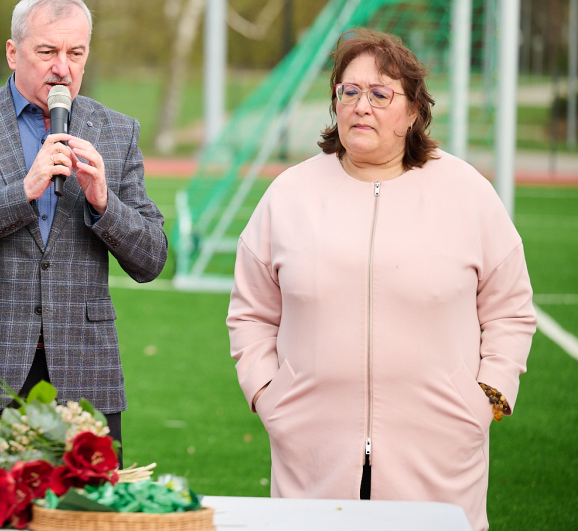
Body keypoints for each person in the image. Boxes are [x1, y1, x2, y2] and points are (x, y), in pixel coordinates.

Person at [226, 29, 535, 531]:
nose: (360, 106)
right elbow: (251, 312)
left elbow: (510, 310)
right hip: (313, 448)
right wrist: (267, 393)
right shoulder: (290, 195)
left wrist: (488, 397)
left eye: (379, 94)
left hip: (439, 451)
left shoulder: (467, 193)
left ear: (413, 111)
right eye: (348, 92)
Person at [0, 0, 168, 454]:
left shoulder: (117, 131)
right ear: (13, 53)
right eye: (47, 51)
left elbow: (152, 259)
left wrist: (104, 202)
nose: (63, 68)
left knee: (82, 522)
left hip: (84, 373)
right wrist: (22, 193)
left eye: (76, 52)